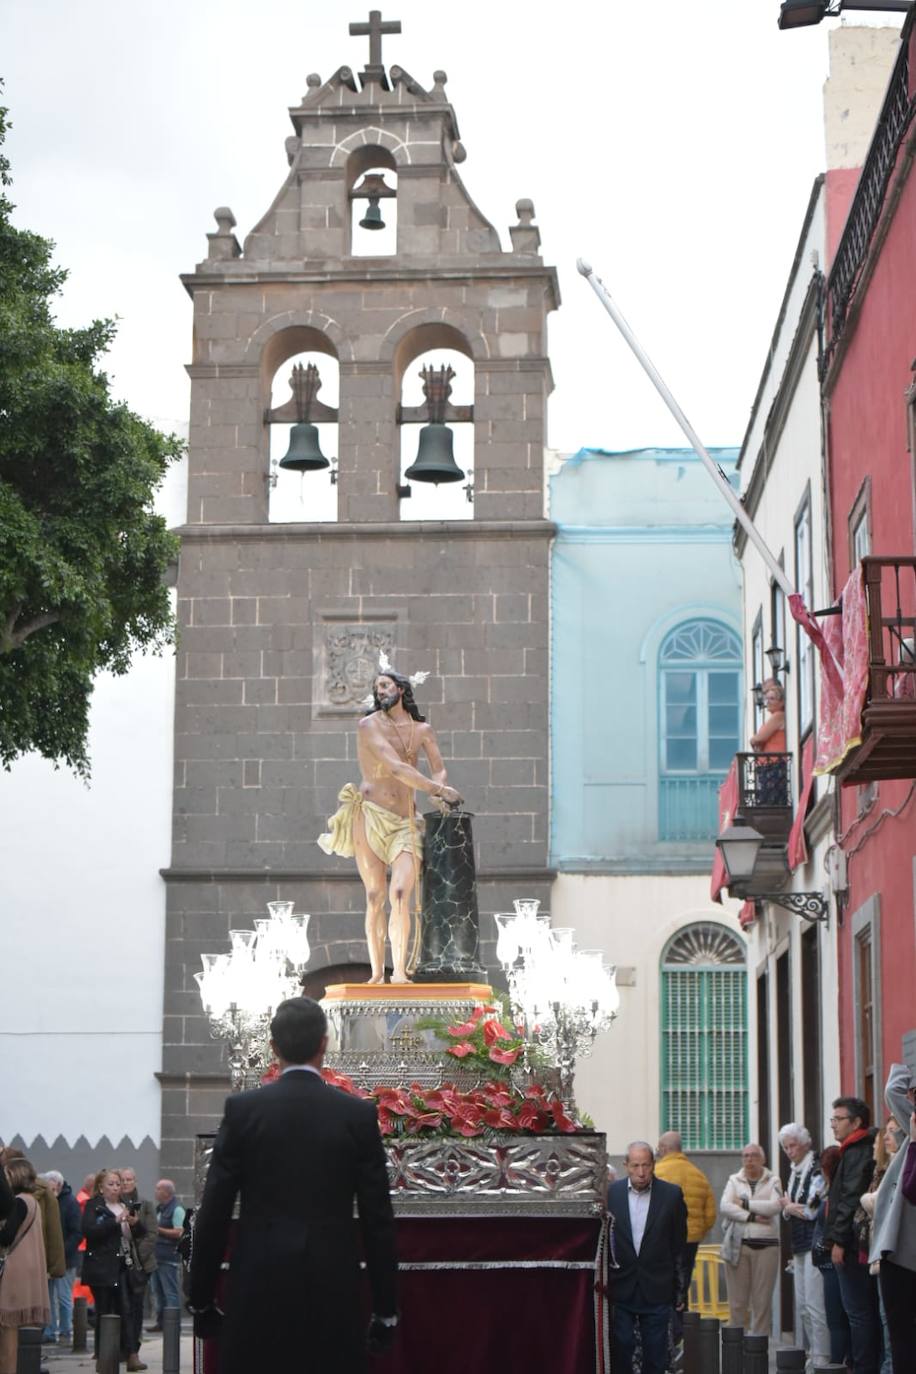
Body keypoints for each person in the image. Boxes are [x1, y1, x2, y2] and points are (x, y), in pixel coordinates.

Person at [189, 996, 398, 1374]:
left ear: (274, 1047)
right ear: (324, 1043)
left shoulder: (243, 1111)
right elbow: (377, 1219)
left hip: (258, 1279)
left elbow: (214, 1211)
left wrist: (201, 1299)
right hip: (332, 1281)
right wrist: (385, 1309)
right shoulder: (357, 1114)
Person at [318, 665, 461, 984]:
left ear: (401, 689)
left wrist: (439, 785)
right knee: (374, 896)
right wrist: (437, 790)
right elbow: (395, 767)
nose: (380, 691)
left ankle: (399, 973)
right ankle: (375, 975)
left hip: (405, 820)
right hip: (369, 818)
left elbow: (438, 768)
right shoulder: (368, 726)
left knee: (400, 893)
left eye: (385, 685)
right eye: (377, 687)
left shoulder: (422, 730)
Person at [606, 1141, 688, 1374]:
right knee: (621, 1349)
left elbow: (679, 1245)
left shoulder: (671, 1195)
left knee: (656, 1354)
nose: (641, 1172)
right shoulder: (611, 1194)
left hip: (657, 1286)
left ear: (654, 1164)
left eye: (646, 1165)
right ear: (626, 1166)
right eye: (635, 1166)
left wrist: (680, 1288)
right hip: (622, 1285)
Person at [824, 1095, 881, 1374]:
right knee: (861, 1312)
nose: (833, 1125)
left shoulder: (858, 1150)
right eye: (832, 1119)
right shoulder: (851, 1148)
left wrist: (837, 1241)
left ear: (856, 1122)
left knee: (858, 1313)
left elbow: (849, 1199)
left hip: (852, 1243)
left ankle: (863, 1367)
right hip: (854, 1241)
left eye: (838, 1119)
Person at [871, 1064, 916, 1372]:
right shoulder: (911, 1126)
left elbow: (912, 1188)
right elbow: (892, 1089)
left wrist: (913, 1143)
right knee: (899, 1340)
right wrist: (909, 1070)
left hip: (906, 1252)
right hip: (897, 1250)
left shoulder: (913, 1138)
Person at [81, 1169, 147, 1372]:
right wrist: (115, 1222)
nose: (116, 1187)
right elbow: (89, 1231)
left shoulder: (125, 1205)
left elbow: (139, 1234)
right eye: (111, 1184)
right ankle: (104, 1356)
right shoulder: (95, 1206)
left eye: (118, 1184)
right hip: (102, 1267)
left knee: (128, 1310)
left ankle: (131, 1354)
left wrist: (136, 1225)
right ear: (101, 1187)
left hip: (124, 1266)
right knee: (105, 1311)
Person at [778, 1122, 830, 1363]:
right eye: (786, 1147)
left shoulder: (815, 1168)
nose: (789, 1151)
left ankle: (823, 1356)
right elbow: (792, 1209)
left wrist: (789, 1207)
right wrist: (790, 1208)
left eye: (793, 1145)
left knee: (815, 1305)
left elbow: (811, 1210)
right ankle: (814, 1353)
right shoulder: (795, 1170)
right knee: (802, 1306)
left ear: (805, 1144)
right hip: (798, 1245)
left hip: (814, 1244)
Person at [720, 1143, 783, 1336]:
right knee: (737, 1303)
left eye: (754, 1155)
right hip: (738, 1246)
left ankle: (758, 1350)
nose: (749, 1160)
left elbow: (774, 1207)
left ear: (762, 1159)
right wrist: (752, 1217)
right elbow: (725, 1206)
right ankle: (736, 1348)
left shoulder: (773, 1180)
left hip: (767, 1248)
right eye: (745, 1156)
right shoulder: (734, 1179)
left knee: (761, 1302)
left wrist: (745, 1203)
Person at [856, 1117, 899, 1374]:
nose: (884, 1139)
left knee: (890, 1322)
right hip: (880, 1252)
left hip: (893, 1254)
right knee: (885, 1321)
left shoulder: (899, 1165)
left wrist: (866, 1198)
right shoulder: (885, 1167)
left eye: (892, 1132)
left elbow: (880, 1201)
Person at [0, 1157, 50, 1374]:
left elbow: (6, 1237)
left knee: (8, 1332)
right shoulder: (34, 1201)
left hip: (14, 1270)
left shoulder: (19, 1201)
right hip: (29, 1269)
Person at [655, 1130, 716, 1296]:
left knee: (661, 1287)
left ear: (664, 1148)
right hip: (690, 1240)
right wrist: (698, 1232)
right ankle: (681, 1315)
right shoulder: (698, 1175)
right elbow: (710, 1214)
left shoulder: (656, 1172)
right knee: (683, 1285)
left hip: (662, 1240)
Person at [812, 1145, 851, 1367]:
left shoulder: (838, 1193)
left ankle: (838, 1363)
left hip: (832, 1263)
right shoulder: (829, 1191)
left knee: (837, 1319)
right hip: (827, 1263)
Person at [117, 1168, 157, 1354]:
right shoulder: (115, 1204)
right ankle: (123, 1345)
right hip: (119, 1262)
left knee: (136, 1306)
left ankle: (134, 1346)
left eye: (129, 1179)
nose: (126, 1183)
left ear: (135, 1181)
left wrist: (136, 1258)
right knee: (121, 1306)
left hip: (141, 1263)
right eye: (123, 1180)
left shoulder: (146, 1205)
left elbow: (151, 1235)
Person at [40, 1171, 82, 1346]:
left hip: (66, 1258)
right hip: (48, 1258)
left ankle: (65, 1331)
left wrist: (61, 1251)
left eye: (51, 1187)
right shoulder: (46, 1201)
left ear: (58, 1184)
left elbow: (77, 1232)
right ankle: (49, 1331)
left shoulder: (70, 1202)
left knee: (64, 1297)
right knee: (48, 1297)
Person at [146, 1180, 185, 1332]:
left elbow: (179, 1232)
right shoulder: (159, 1209)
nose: (155, 1191)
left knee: (170, 1292)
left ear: (166, 1192)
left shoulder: (176, 1209)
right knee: (158, 1292)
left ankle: (174, 1324)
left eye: (158, 1189)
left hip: (169, 1258)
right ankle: (161, 1322)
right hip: (156, 1257)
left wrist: (158, 1230)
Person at [749, 678, 787, 805]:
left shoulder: (778, 716)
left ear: (781, 702)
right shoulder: (775, 717)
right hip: (770, 765)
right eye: (767, 699)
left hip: (775, 765)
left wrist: (754, 740)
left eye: (772, 699)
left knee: (770, 801)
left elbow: (759, 738)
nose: (768, 702)